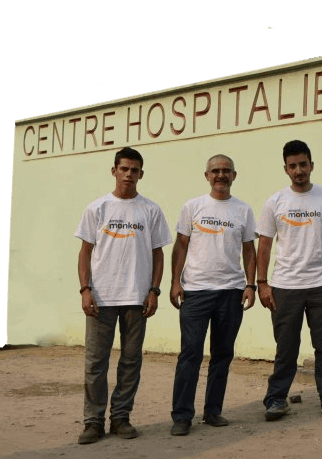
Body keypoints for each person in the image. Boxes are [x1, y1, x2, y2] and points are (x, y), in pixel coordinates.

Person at [74, 147, 172, 444]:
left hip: (136, 298)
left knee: (131, 361)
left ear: (141, 174)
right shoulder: (97, 208)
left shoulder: (151, 210)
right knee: (95, 362)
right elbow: (85, 252)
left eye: (135, 170)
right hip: (101, 299)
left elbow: (158, 254)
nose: (129, 174)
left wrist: (154, 290)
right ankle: (93, 421)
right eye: (124, 168)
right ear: (114, 170)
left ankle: (121, 418)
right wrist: (85, 290)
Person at [256, 140, 322, 419]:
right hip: (285, 286)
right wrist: (262, 283)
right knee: (286, 348)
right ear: (285, 169)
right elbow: (264, 245)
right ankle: (276, 399)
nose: (299, 170)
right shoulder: (275, 202)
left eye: (303, 164)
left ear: (311, 165)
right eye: (293, 166)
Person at [169, 155, 257, 436]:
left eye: (226, 171)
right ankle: (182, 416)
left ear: (234, 175)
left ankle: (213, 411)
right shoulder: (192, 206)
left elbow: (249, 251)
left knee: (222, 355)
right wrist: (174, 282)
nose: (221, 175)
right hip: (195, 291)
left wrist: (250, 285)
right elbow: (181, 245)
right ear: (206, 175)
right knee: (190, 354)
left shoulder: (243, 210)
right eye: (215, 171)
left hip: (231, 292)